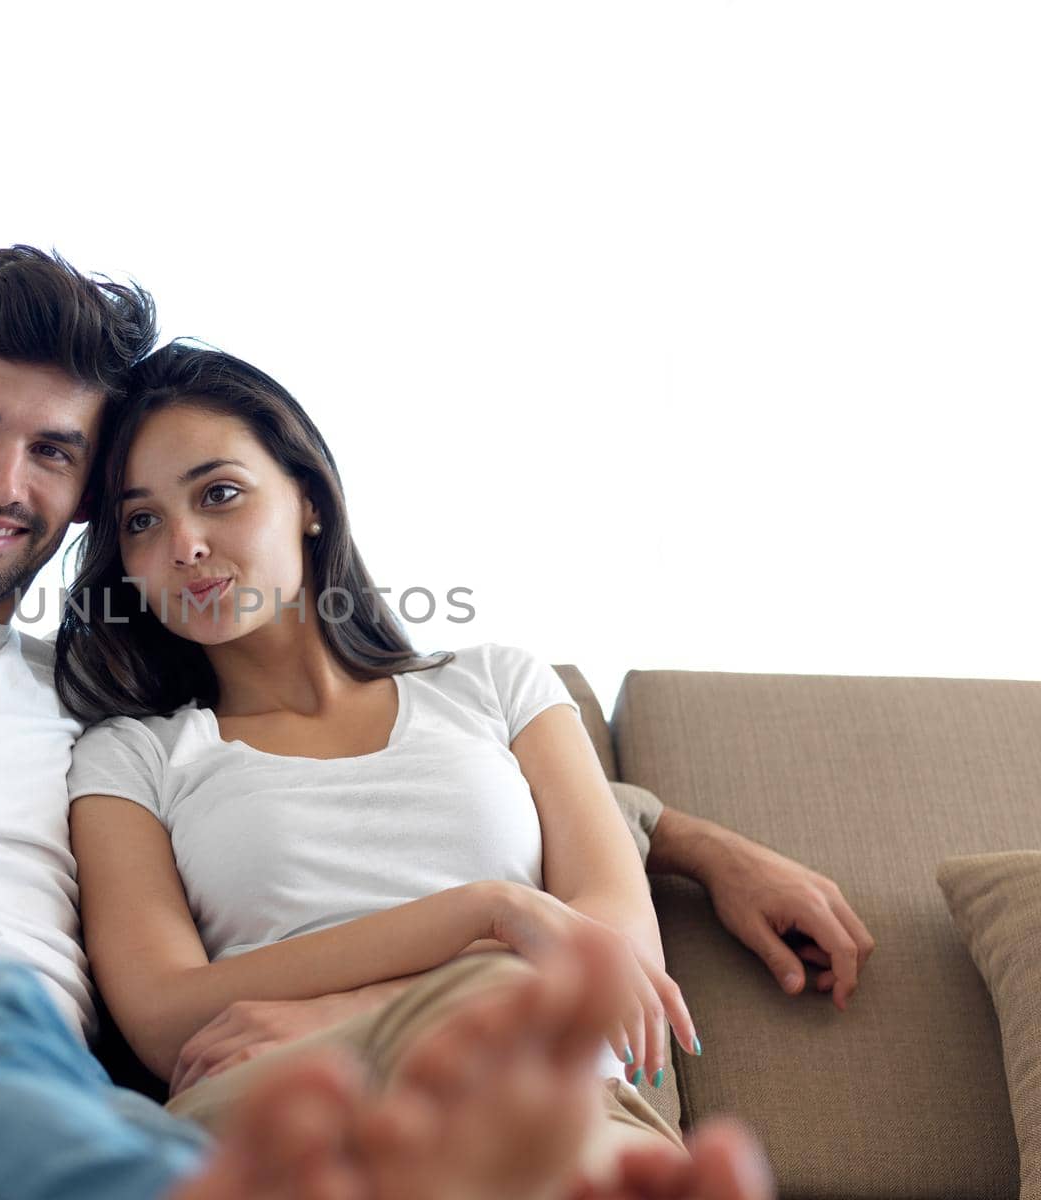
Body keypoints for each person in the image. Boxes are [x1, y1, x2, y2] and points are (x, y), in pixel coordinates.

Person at [0, 247, 852, 1200]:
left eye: (55, 452)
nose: (5, 480)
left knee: (60, 1082)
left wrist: (692, 842)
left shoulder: (87, 694)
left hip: (40, 1083)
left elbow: (447, 782)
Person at [55, 341, 870, 1181]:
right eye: (141, 520)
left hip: (531, 1090)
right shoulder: (131, 756)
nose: (184, 544)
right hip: (290, 1106)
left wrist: (354, 1006)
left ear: (308, 499)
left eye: (219, 493)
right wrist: (489, 913)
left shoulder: (497, 684)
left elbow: (619, 947)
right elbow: (163, 1012)